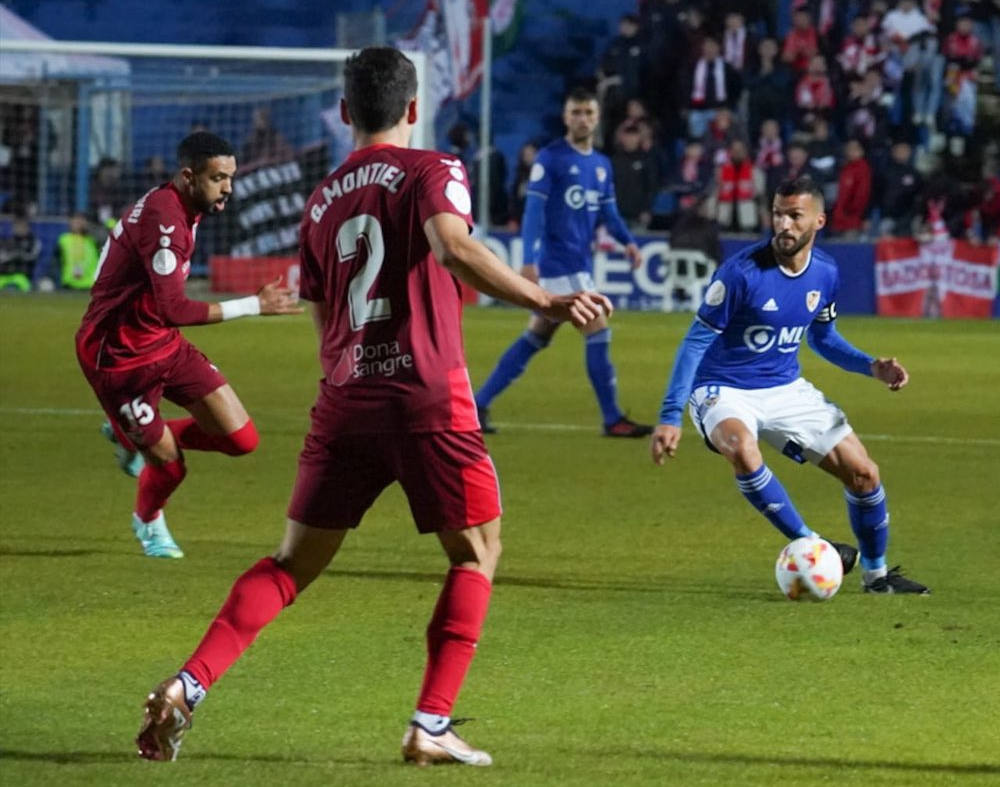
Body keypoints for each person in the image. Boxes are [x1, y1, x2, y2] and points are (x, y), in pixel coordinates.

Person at [134, 46, 611, 767]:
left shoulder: (322, 197)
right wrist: (546, 297)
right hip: (428, 397)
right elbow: (453, 248)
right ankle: (430, 723)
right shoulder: (434, 169)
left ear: (347, 112)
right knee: (477, 551)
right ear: (415, 109)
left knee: (290, 565)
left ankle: (187, 685)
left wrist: (351, 377)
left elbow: (323, 314)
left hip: (346, 398)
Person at [650, 176, 929, 596]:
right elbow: (695, 342)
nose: (783, 224)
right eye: (778, 214)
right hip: (723, 388)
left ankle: (877, 577)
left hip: (785, 387)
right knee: (743, 449)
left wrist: (871, 367)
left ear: (818, 220)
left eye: (794, 216)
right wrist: (671, 416)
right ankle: (814, 543)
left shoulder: (826, 273)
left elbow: (823, 338)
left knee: (865, 475)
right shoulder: (740, 273)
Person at [74, 131, 302, 559]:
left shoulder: (183, 204)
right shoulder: (166, 223)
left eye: (230, 177)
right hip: (119, 359)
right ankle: (148, 522)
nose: (228, 188)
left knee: (242, 439)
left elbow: (165, 318)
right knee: (170, 466)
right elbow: (175, 308)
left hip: (162, 344)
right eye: (219, 178)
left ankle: (134, 438)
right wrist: (255, 304)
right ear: (187, 176)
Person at [473, 88, 652, 438]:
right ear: (565, 117)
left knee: (536, 336)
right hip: (558, 265)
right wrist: (528, 261)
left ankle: (477, 405)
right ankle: (613, 418)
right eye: (576, 112)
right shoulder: (550, 158)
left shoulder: (601, 165)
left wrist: (628, 242)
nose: (582, 118)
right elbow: (533, 213)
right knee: (597, 329)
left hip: (577, 264)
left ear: (597, 117)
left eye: (588, 112)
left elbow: (608, 212)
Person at [56, 212, 100, 290]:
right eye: (75, 221)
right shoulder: (63, 239)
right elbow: (56, 262)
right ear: (70, 222)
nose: (78, 223)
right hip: (69, 284)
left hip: (90, 284)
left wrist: (89, 229)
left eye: (81, 220)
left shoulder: (93, 240)